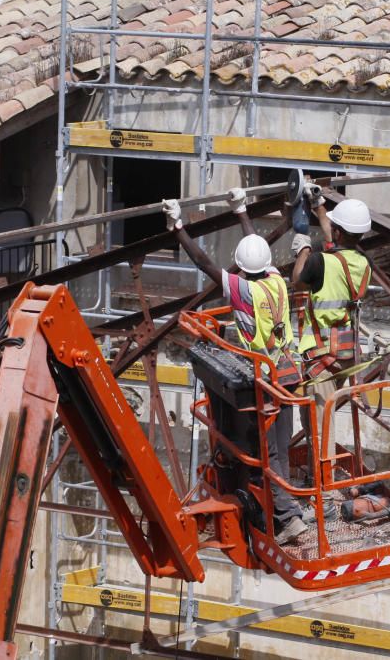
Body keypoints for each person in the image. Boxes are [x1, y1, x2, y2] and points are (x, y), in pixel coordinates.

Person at [164, 190, 308, 545]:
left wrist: (177, 226)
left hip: (262, 380)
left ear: (242, 267)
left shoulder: (241, 291)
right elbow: (257, 252)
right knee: (280, 446)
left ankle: (288, 518)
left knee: (267, 453)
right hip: (287, 374)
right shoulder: (277, 282)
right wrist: (241, 210)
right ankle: (287, 508)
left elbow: (203, 262)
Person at [290, 193, 372, 502]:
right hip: (346, 354)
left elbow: (298, 280)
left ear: (339, 232)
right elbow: (337, 241)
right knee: (318, 417)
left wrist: (303, 248)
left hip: (319, 353)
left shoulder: (320, 261)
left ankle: (324, 492)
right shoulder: (362, 262)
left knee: (320, 422)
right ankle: (320, 476)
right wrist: (319, 206)